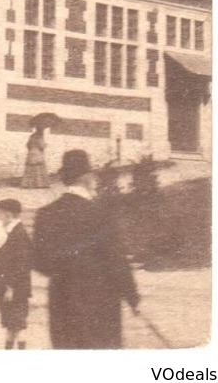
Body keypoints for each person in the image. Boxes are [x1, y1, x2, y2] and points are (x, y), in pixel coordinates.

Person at [33, 149, 140, 348]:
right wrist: (132, 297)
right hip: (100, 305)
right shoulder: (102, 213)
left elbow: (40, 264)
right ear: (87, 178)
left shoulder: (45, 214)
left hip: (62, 304)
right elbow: (117, 260)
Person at [0, 198, 33, 349]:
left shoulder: (19, 233)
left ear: (8, 215)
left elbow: (21, 264)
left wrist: (11, 287)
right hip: (8, 286)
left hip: (15, 288)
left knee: (18, 325)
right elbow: (0, 257)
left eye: (0, 213)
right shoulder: (8, 232)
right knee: (10, 324)